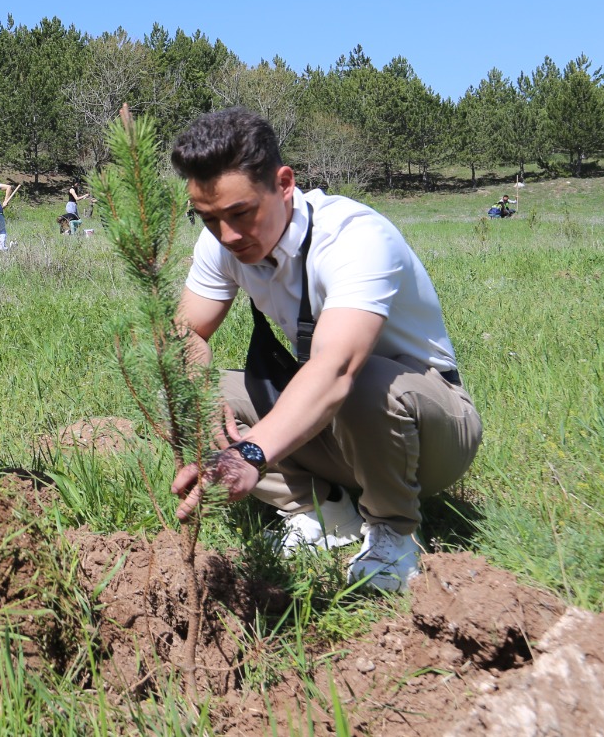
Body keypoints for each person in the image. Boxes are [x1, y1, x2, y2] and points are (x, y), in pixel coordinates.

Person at [167, 108, 481, 593]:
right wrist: (201, 400)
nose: (227, 236)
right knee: (187, 388)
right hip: (341, 427)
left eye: (241, 213)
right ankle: (318, 510)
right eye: (209, 220)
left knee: (364, 381)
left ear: (284, 183)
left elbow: (336, 369)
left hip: (430, 429)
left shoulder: (354, 237)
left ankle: (392, 535)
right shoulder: (223, 244)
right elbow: (185, 335)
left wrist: (249, 453)